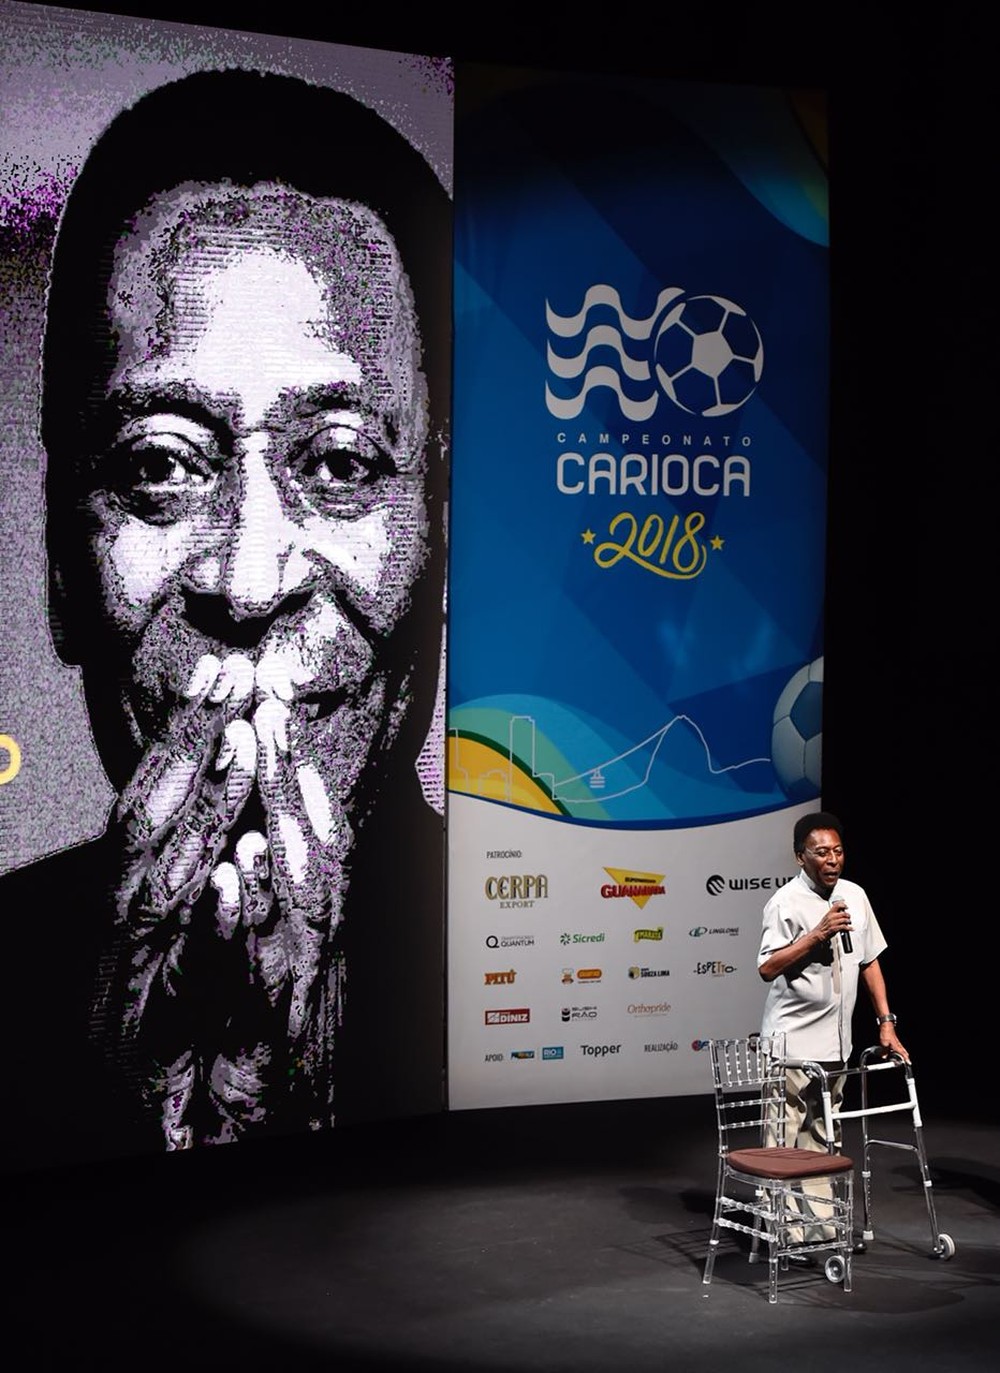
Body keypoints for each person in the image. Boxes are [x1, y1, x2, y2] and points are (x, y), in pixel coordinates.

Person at [0, 70, 449, 1164]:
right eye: (159, 466)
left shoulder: (537, 966)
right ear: (60, 561)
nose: (248, 585)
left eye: (340, 463)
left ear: (446, 539)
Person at [757, 811, 908, 1244]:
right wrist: (816, 935)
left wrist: (886, 1022)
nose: (832, 859)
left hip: (836, 1044)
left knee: (823, 1139)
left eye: (838, 851)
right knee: (782, 1140)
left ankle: (822, 1228)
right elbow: (767, 967)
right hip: (789, 1044)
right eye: (821, 852)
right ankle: (782, 1232)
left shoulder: (855, 896)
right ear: (800, 857)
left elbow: (869, 960)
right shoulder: (785, 902)